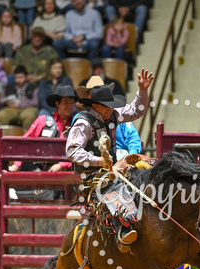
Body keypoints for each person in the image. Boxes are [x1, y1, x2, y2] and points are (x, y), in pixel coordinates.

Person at [65, 68, 154, 249]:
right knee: (113, 187)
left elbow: (136, 110)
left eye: (111, 105)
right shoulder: (84, 122)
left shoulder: (111, 114)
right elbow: (72, 151)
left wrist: (142, 90)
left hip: (109, 170)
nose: (110, 109)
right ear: (95, 105)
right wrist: (99, 162)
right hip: (91, 176)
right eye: (106, 105)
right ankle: (123, 228)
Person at [9, 84, 76, 172]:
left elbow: (79, 150)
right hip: (41, 167)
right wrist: (17, 164)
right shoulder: (43, 120)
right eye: (66, 103)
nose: (69, 106)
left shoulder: (76, 124)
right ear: (57, 104)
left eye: (71, 103)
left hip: (67, 170)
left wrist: (62, 165)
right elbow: (25, 142)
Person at [0, 65, 40, 131]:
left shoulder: (32, 87)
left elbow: (35, 102)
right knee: (2, 114)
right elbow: (0, 100)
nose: (18, 80)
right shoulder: (9, 87)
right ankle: (2, 138)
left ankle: (27, 139)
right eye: (16, 78)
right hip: (12, 109)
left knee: (30, 116)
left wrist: (20, 105)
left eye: (21, 77)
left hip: (28, 108)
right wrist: (6, 102)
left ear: (26, 77)